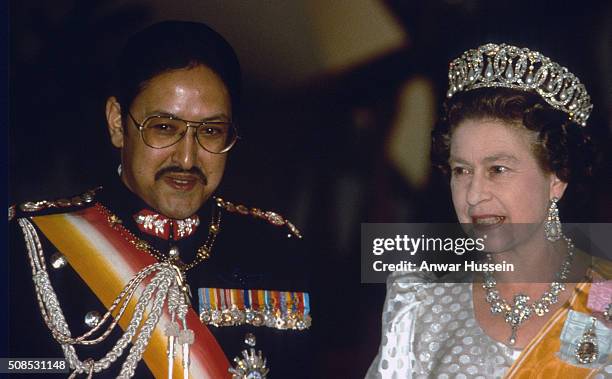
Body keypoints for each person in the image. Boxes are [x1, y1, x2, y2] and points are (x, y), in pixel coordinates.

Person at [9, 21, 311, 378]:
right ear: (118, 124)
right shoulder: (33, 244)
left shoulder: (274, 249)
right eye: (164, 127)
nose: (186, 158)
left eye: (211, 132)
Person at [366, 43, 611, 378]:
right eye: (461, 170)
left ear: (556, 178)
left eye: (497, 169)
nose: (474, 195)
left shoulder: (604, 297)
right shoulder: (420, 309)